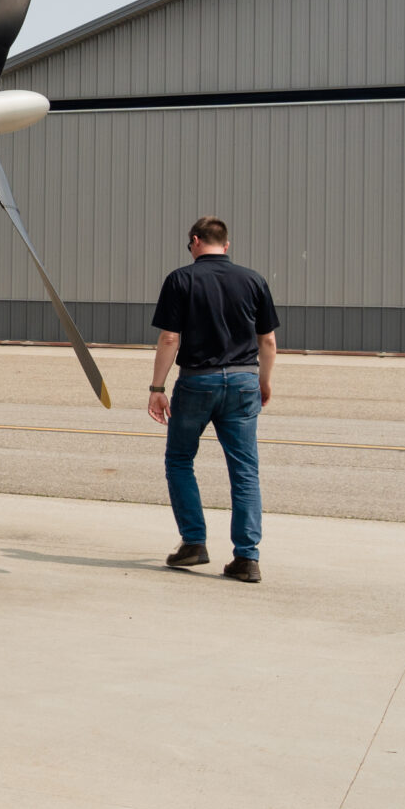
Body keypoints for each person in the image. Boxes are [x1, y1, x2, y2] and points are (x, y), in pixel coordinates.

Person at [148, 216, 281, 582]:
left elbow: (170, 339)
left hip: (197, 382)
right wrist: (264, 382)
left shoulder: (181, 279)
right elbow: (267, 341)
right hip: (243, 382)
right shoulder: (253, 280)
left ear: (194, 241)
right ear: (226, 244)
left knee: (179, 459)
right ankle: (247, 558)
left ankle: (194, 542)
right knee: (244, 471)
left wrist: (157, 388)